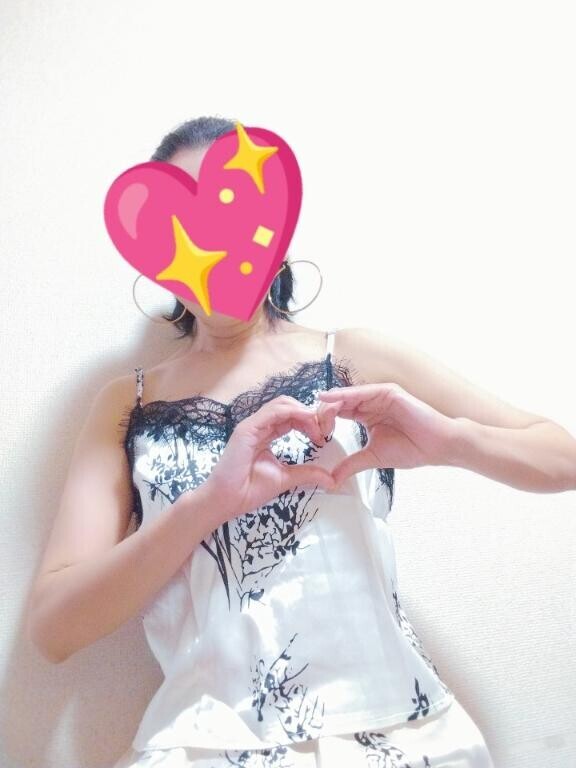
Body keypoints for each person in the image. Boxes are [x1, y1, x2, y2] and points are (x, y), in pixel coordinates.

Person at [28, 115, 574, 767]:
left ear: (275, 223)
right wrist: (206, 505)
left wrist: (451, 442)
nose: (211, 243)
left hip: (395, 735)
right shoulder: (129, 404)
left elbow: (561, 457)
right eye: (184, 227)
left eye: (231, 212)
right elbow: (54, 629)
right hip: (203, 743)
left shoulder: (355, 356)